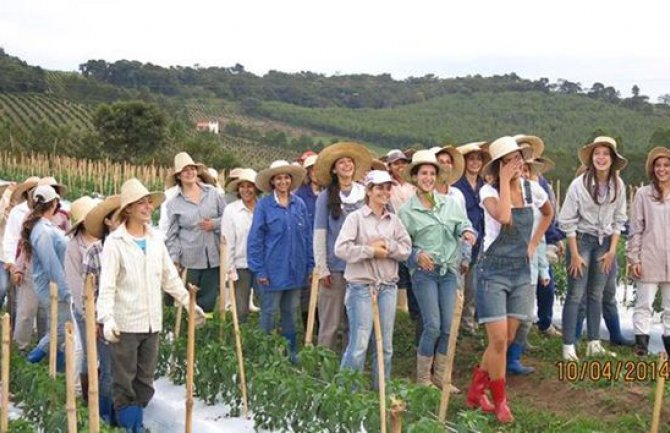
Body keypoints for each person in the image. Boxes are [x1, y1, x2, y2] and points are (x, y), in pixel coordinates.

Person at [97, 178, 205, 432]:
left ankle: (128, 419)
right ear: (128, 210)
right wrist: (107, 318)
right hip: (125, 325)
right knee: (124, 382)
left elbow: (170, 277)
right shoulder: (115, 242)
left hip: (151, 323)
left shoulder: (156, 239)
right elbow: (107, 285)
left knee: (144, 383)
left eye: (149, 203)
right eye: (141, 203)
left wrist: (189, 304)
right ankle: (130, 427)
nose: (147, 207)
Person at [465, 137, 552, 423]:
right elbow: (503, 217)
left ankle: (477, 389)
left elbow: (548, 214)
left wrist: (533, 244)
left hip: (520, 271)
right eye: (508, 160)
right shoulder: (488, 191)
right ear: (498, 166)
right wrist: (503, 180)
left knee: (509, 337)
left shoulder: (532, 189)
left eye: (517, 159)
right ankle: (501, 400)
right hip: (492, 271)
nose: (515, 164)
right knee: (499, 341)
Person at [398, 150, 476, 391]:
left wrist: (467, 233)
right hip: (424, 273)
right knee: (432, 324)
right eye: (424, 173)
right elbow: (401, 246)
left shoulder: (450, 204)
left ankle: (442, 377)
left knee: (447, 326)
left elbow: (464, 224)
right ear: (415, 177)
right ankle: (423, 379)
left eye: (432, 173)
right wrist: (416, 255)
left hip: (449, 272)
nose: (428, 178)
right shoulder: (406, 211)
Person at [335, 170, 411, 389]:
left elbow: (406, 249)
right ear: (369, 191)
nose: (385, 192)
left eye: (388, 188)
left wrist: (388, 248)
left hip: (387, 286)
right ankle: (347, 393)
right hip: (361, 286)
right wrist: (369, 251)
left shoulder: (394, 221)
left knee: (385, 344)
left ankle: (381, 391)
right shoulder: (355, 218)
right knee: (359, 343)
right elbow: (341, 249)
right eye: (379, 188)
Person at [558, 136, 627, 361]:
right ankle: (568, 346)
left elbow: (619, 220)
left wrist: (612, 251)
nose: (601, 158)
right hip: (581, 240)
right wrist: (575, 254)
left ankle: (594, 343)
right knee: (576, 293)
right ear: (591, 157)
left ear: (612, 159)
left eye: (606, 154)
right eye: (597, 153)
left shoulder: (618, 185)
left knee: (597, 293)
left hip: (605, 242)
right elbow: (566, 220)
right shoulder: (579, 184)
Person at [247, 160, 313, 363]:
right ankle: (263, 353)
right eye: (278, 178)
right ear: (272, 182)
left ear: (291, 181)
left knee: (290, 312)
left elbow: (307, 237)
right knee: (268, 312)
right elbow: (255, 239)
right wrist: (260, 270)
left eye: (286, 177)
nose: (283, 181)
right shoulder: (265, 206)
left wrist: (310, 265)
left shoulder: (299, 204)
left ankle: (290, 352)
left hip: (295, 270)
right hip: (272, 270)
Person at [313, 142, 371, 351]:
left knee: (354, 323)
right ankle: (321, 366)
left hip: (360, 267)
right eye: (341, 162)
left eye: (349, 162)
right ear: (334, 169)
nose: (346, 165)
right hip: (335, 267)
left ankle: (349, 371)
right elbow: (320, 233)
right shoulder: (325, 197)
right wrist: (322, 268)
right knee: (330, 323)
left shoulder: (365, 194)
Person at [506, 155, 553, 375]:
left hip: (530, 268)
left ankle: (514, 357)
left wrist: (544, 269)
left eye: (527, 170)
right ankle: (500, 356)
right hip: (505, 267)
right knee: (507, 317)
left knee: (525, 316)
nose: (523, 174)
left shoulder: (536, 198)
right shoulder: (503, 195)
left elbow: (541, 240)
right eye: (520, 169)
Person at [20, 185, 73, 370]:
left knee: (60, 329)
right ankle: (28, 365)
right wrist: (66, 291)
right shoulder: (42, 231)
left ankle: (57, 371)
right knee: (59, 331)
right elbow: (51, 265)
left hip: (54, 285)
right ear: (54, 203)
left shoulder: (45, 226)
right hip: (52, 287)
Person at [166, 152, 226, 313]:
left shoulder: (213, 193)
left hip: (213, 258)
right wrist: (175, 259)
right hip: (190, 260)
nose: (189, 172)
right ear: (178, 176)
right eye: (185, 170)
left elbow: (228, 218)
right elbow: (172, 235)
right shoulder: (174, 203)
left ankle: (204, 336)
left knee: (208, 301)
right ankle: (188, 333)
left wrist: (214, 224)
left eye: (192, 169)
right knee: (188, 302)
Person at [82, 194, 122, 425]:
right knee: (108, 373)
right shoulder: (95, 252)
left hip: (130, 319)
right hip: (105, 320)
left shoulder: (134, 246)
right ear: (107, 222)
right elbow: (89, 293)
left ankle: (124, 417)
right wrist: (96, 321)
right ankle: (105, 419)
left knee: (126, 374)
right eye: (118, 216)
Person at [627, 146, 670, 357]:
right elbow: (636, 228)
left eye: (666, 165)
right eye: (658, 166)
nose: (662, 169)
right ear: (652, 169)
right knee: (644, 304)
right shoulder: (643, 194)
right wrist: (634, 258)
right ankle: (641, 348)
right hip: (650, 257)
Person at [63, 196, 99, 401]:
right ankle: (80, 392)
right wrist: (87, 312)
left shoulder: (105, 239)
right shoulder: (74, 247)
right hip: (83, 307)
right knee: (84, 350)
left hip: (104, 307)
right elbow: (76, 285)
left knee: (101, 354)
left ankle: (96, 391)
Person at [453, 142, 491, 335]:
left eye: (478, 159)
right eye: (472, 159)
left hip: (480, 240)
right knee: (458, 282)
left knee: (473, 285)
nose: (475, 162)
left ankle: (468, 322)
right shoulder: (457, 186)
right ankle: (454, 325)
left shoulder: (485, 186)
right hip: (461, 239)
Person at [221, 169, 259, 323]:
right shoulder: (231, 210)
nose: (246, 190)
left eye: (250, 186)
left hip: (262, 265)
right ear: (238, 189)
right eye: (242, 186)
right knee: (241, 310)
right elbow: (227, 242)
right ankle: (240, 341)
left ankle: (266, 340)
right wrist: (229, 269)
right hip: (241, 264)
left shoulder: (263, 208)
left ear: (256, 188)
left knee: (268, 307)